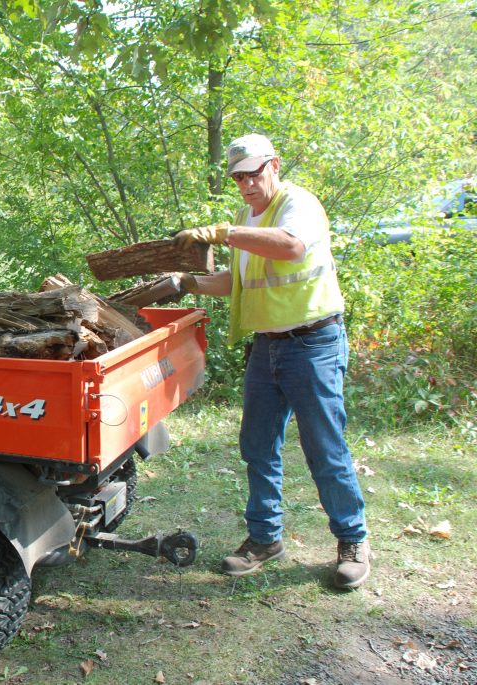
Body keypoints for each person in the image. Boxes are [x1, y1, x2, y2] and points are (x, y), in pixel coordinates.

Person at [173, 133, 371, 590]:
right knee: (258, 445)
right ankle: (265, 538)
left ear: (274, 165)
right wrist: (189, 282)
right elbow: (240, 281)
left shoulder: (297, 205)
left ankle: (353, 540)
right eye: (237, 177)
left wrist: (224, 232)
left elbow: (290, 247)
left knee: (324, 448)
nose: (246, 184)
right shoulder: (247, 217)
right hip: (267, 348)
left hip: (313, 344)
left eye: (253, 174)